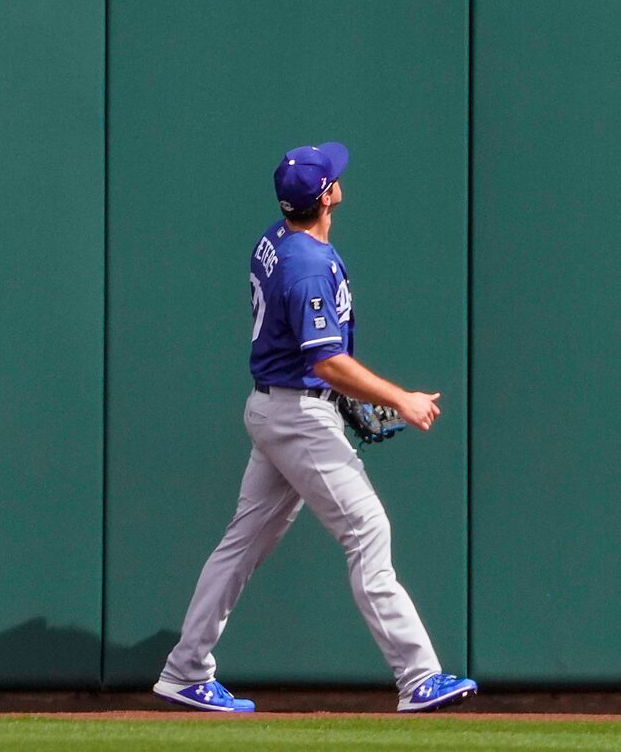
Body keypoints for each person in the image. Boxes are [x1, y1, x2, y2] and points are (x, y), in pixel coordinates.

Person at [153, 140, 477, 718]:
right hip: (298, 415)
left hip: (280, 407)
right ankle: (418, 675)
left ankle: (185, 670)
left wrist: (340, 395)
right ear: (326, 196)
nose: (339, 179)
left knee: (241, 545)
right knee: (368, 532)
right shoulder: (306, 264)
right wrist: (398, 398)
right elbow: (326, 361)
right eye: (333, 178)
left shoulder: (277, 239)